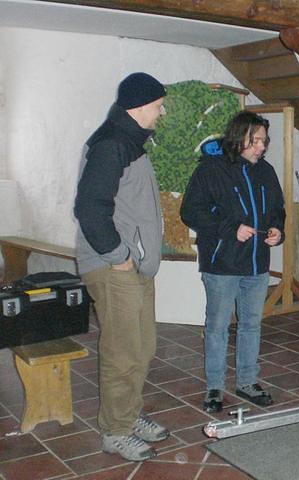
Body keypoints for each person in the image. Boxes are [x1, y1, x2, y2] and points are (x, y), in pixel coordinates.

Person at [74, 72, 169, 461]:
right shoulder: (112, 143)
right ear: (141, 106)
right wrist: (120, 257)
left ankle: (128, 416)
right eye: (159, 106)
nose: (161, 113)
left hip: (133, 268)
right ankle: (115, 430)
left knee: (142, 346)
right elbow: (89, 208)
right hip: (114, 268)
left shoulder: (129, 142)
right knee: (122, 351)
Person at [181, 111, 285, 413]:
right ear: (238, 138)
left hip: (256, 264)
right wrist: (230, 229)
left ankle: (247, 381)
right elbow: (191, 211)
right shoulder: (211, 170)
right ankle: (214, 387)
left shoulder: (266, 171)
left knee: (251, 325)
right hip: (222, 264)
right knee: (217, 327)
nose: (261, 148)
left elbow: (277, 210)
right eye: (255, 142)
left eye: (264, 141)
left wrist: (278, 232)